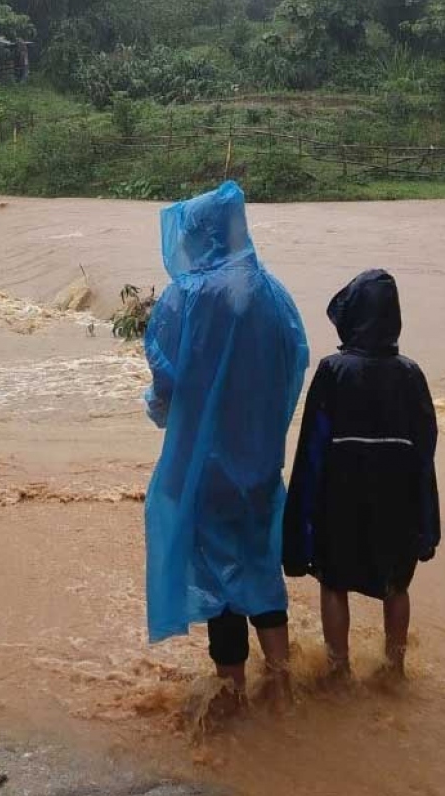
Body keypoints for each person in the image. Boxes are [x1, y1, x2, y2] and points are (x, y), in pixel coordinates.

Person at [143, 181, 309, 711]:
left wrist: (160, 409)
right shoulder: (273, 292)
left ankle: (233, 694)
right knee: (260, 565)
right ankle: (283, 686)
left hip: (204, 466)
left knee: (217, 583)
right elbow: (294, 362)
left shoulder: (183, 298)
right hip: (259, 459)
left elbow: (166, 383)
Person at [283, 269, 440, 683]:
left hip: (341, 497)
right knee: (397, 584)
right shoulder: (411, 374)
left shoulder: (333, 371)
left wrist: (300, 520)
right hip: (398, 498)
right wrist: (427, 519)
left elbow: (312, 448)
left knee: (334, 581)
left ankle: (338, 670)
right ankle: (396, 669)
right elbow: (426, 449)